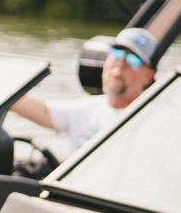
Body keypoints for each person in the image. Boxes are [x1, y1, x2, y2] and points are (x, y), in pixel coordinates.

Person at [11, 27, 159, 154]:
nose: (121, 63)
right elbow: (40, 110)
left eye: (133, 60)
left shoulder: (153, 123)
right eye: (117, 53)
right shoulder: (85, 109)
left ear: (148, 76)